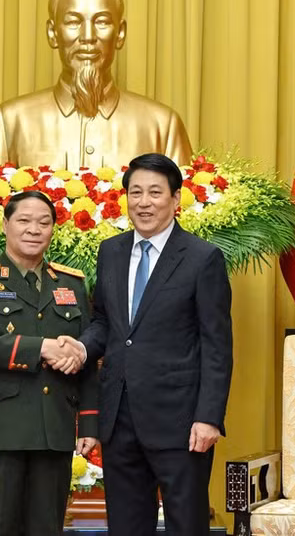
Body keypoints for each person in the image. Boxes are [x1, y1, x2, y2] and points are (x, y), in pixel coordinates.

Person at [56, 154, 233, 535]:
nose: (144, 202)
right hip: (120, 419)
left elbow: (216, 344)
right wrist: (83, 348)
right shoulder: (111, 251)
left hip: (181, 422)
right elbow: (106, 322)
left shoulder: (203, 259)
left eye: (155, 192)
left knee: (186, 525)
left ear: (176, 198)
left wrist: (209, 417)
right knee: (126, 526)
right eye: (135, 192)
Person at [0, 191, 98, 536]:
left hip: (54, 431)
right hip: (0, 430)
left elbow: (87, 359)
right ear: (5, 225)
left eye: (44, 222)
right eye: (24, 221)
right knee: (1, 528)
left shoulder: (72, 284)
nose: (34, 229)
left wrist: (89, 425)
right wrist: (44, 348)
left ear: (52, 230)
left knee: (48, 528)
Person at [0, 0, 192, 170]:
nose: (88, 36)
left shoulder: (163, 126)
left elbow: (182, 206)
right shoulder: (9, 122)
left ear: (120, 34)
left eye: (102, 21)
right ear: (53, 33)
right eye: (73, 22)